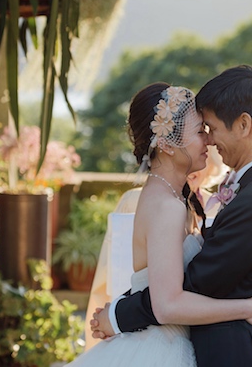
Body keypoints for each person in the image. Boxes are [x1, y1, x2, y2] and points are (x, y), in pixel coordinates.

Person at [65, 82, 252, 366]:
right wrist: (248, 307)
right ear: (166, 144)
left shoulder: (170, 196)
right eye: (199, 132)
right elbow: (167, 306)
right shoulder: (167, 207)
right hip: (162, 348)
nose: (209, 141)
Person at [82, 146, 226, 351]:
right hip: (149, 327)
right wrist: (108, 320)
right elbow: (111, 270)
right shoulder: (139, 201)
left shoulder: (218, 205)